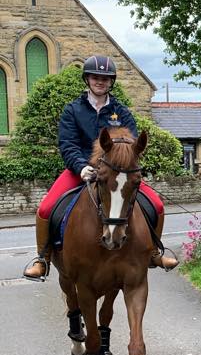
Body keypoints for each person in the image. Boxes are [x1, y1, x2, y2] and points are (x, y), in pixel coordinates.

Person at [22, 55, 179, 281]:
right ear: (87, 79)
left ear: (111, 82)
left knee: (157, 204)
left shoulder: (121, 112)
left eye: (105, 78)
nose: (100, 82)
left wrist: (123, 165)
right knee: (46, 208)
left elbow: (131, 144)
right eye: (95, 77)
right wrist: (81, 167)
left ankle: (154, 252)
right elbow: (68, 144)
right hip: (82, 171)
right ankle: (42, 258)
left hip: (115, 173)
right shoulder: (72, 110)